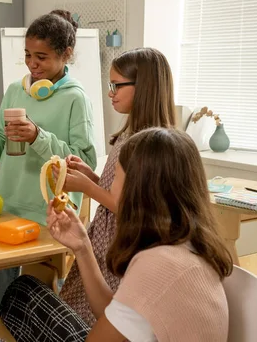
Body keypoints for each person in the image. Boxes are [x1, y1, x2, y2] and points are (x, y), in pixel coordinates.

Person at [0, 128, 233, 342]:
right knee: (22, 291)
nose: (110, 188)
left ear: (140, 193)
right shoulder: (189, 242)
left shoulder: (159, 265)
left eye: (117, 181)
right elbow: (116, 313)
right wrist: (82, 247)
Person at [0, 10, 97, 319]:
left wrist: (38, 136)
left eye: (42, 57)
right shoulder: (15, 91)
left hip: (49, 215)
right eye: (27, 55)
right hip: (8, 207)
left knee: (36, 309)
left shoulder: (76, 99)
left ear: (66, 55)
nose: (32, 64)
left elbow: (84, 162)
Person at [59, 47, 177, 325]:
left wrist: (85, 187)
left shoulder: (146, 145)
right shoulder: (129, 136)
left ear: (143, 87)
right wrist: (91, 176)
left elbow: (125, 206)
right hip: (106, 238)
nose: (110, 93)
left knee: (95, 315)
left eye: (116, 86)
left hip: (120, 244)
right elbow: (121, 191)